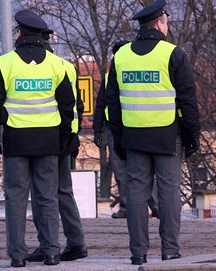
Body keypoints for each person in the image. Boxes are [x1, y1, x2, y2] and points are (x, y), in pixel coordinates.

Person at [105, 0, 200, 265]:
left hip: (134, 136)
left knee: (136, 193)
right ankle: (170, 250)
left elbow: (113, 102)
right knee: (169, 192)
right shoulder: (173, 54)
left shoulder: (121, 56)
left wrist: (119, 139)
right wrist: (192, 138)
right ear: (159, 24)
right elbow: (188, 102)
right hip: (168, 136)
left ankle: (138, 253)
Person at [0, 10, 75, 267]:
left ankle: (18, 256)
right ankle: (52, 252)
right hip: (48, 141)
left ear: (19, 33)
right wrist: (64, 136)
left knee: (15, 198)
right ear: (41, 35)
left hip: (16, 141)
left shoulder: (6, 63)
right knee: (47, 198)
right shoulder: (56, 64)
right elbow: (67, 105)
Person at [27, 28, 88, 263]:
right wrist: (73, 134)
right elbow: (77, 105)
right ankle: (76, 242)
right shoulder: (67, 66)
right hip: (66, 138)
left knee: (41, 193)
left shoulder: (40, 65)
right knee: (63, 191)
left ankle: (47, 243)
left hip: (44, 138)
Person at [93, 41, 160, 219]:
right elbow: (101, 103)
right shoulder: (110, 76)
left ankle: (153, 206)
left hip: (133, 125)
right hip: (122, 127)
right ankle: (130, 207)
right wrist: (97, 127)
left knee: (137, 168)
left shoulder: (133, 72)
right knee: (124, 169)